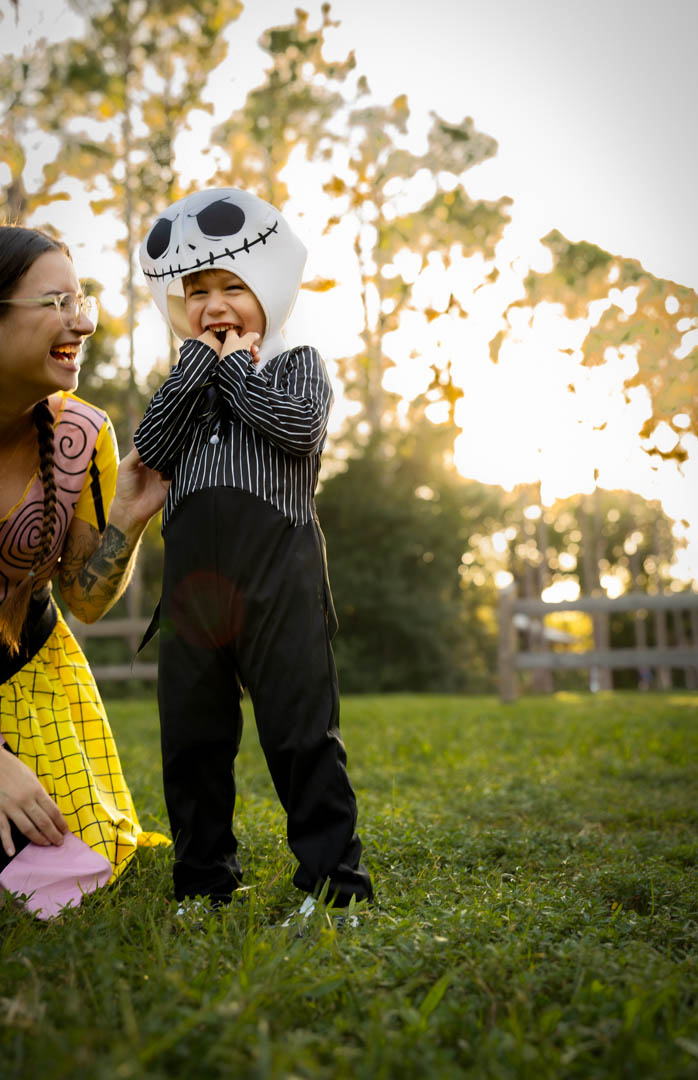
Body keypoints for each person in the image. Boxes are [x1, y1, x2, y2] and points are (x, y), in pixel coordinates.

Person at [134, 188, 372, 915]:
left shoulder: (298, 365)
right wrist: (196, 373)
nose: (215, 306)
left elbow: (295, 429)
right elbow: (151, 447)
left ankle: (335, 884)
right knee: (192, 741)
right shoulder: (184, 386)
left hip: (279, 577)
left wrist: (234, 369)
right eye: (197, 291)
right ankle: (205, 881)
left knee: (301, 731)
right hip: (193, 591)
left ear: (267, 290)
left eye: (232, 287)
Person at [0, 224, 170, 919]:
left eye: (83, 298)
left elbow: (85, 601)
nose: (82, 320)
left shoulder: (81, 437)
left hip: (32, 678)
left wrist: (128, 517)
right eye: (57, 301)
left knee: (74, 871)